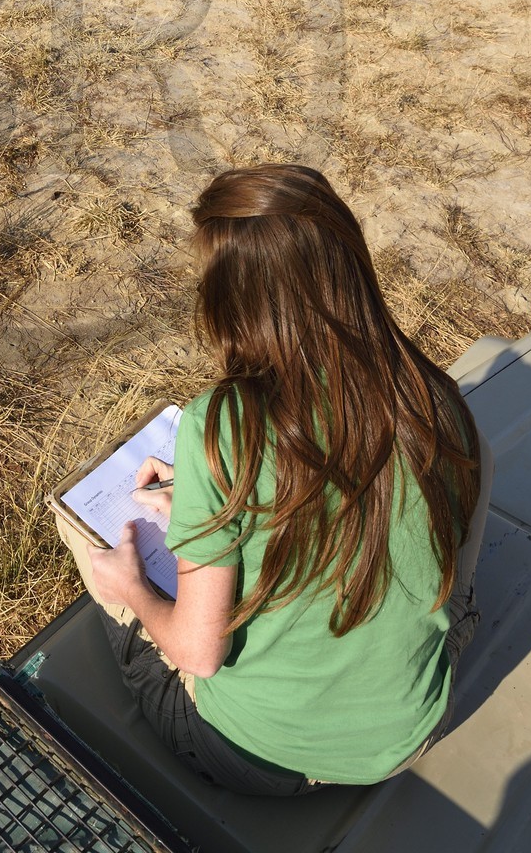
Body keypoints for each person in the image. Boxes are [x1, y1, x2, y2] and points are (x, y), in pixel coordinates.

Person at [56, 164, 494, 796]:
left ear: (234, 299)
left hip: (263, 759)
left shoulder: (222, 425)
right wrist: (218, 501)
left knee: (94, 549)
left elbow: (199, 654)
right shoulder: (425, 393)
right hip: (412, 731)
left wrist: (135, 589)